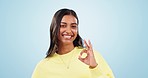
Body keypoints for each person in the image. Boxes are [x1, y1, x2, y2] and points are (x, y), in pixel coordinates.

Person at [32, 8, 115, 78]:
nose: (68, 31)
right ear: (54, 28)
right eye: (63, 25)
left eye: (73, 26)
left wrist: (94, 67)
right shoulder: (43, 67)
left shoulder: (91, 56)